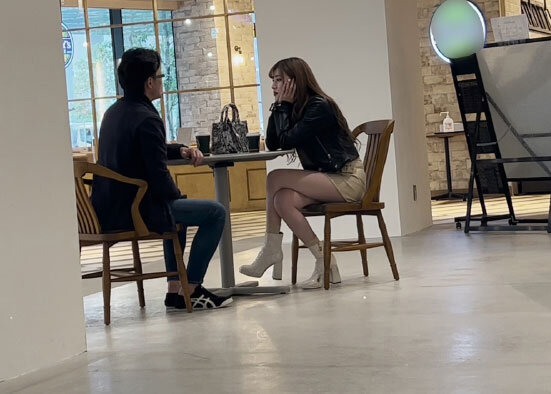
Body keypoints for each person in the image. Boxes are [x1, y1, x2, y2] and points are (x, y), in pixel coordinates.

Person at [91, 48, 232, 310]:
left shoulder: (114, 112)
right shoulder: (147, 118)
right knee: (215, 212)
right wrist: (176, 197)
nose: (162, 82)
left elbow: (141, 149)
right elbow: (158, 175)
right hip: (136, 211)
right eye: (160, 76)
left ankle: (174, 290)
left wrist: (178, 150)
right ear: (149, 82)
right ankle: (192, 288)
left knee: (176, 206)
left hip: (109, 207)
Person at [239, 57, 366, 289]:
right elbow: (274, 143)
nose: (273, 86)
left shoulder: (319, 106)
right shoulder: (295, 107)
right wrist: (279, 106)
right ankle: (325, 261)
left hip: (347, 178)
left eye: (279, 80)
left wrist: (283, 106)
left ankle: (271, 249)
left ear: (295, 81)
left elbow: (287, 139)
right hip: (327, 177)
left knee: (274, 177)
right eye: (273, 80)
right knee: (282, 199)